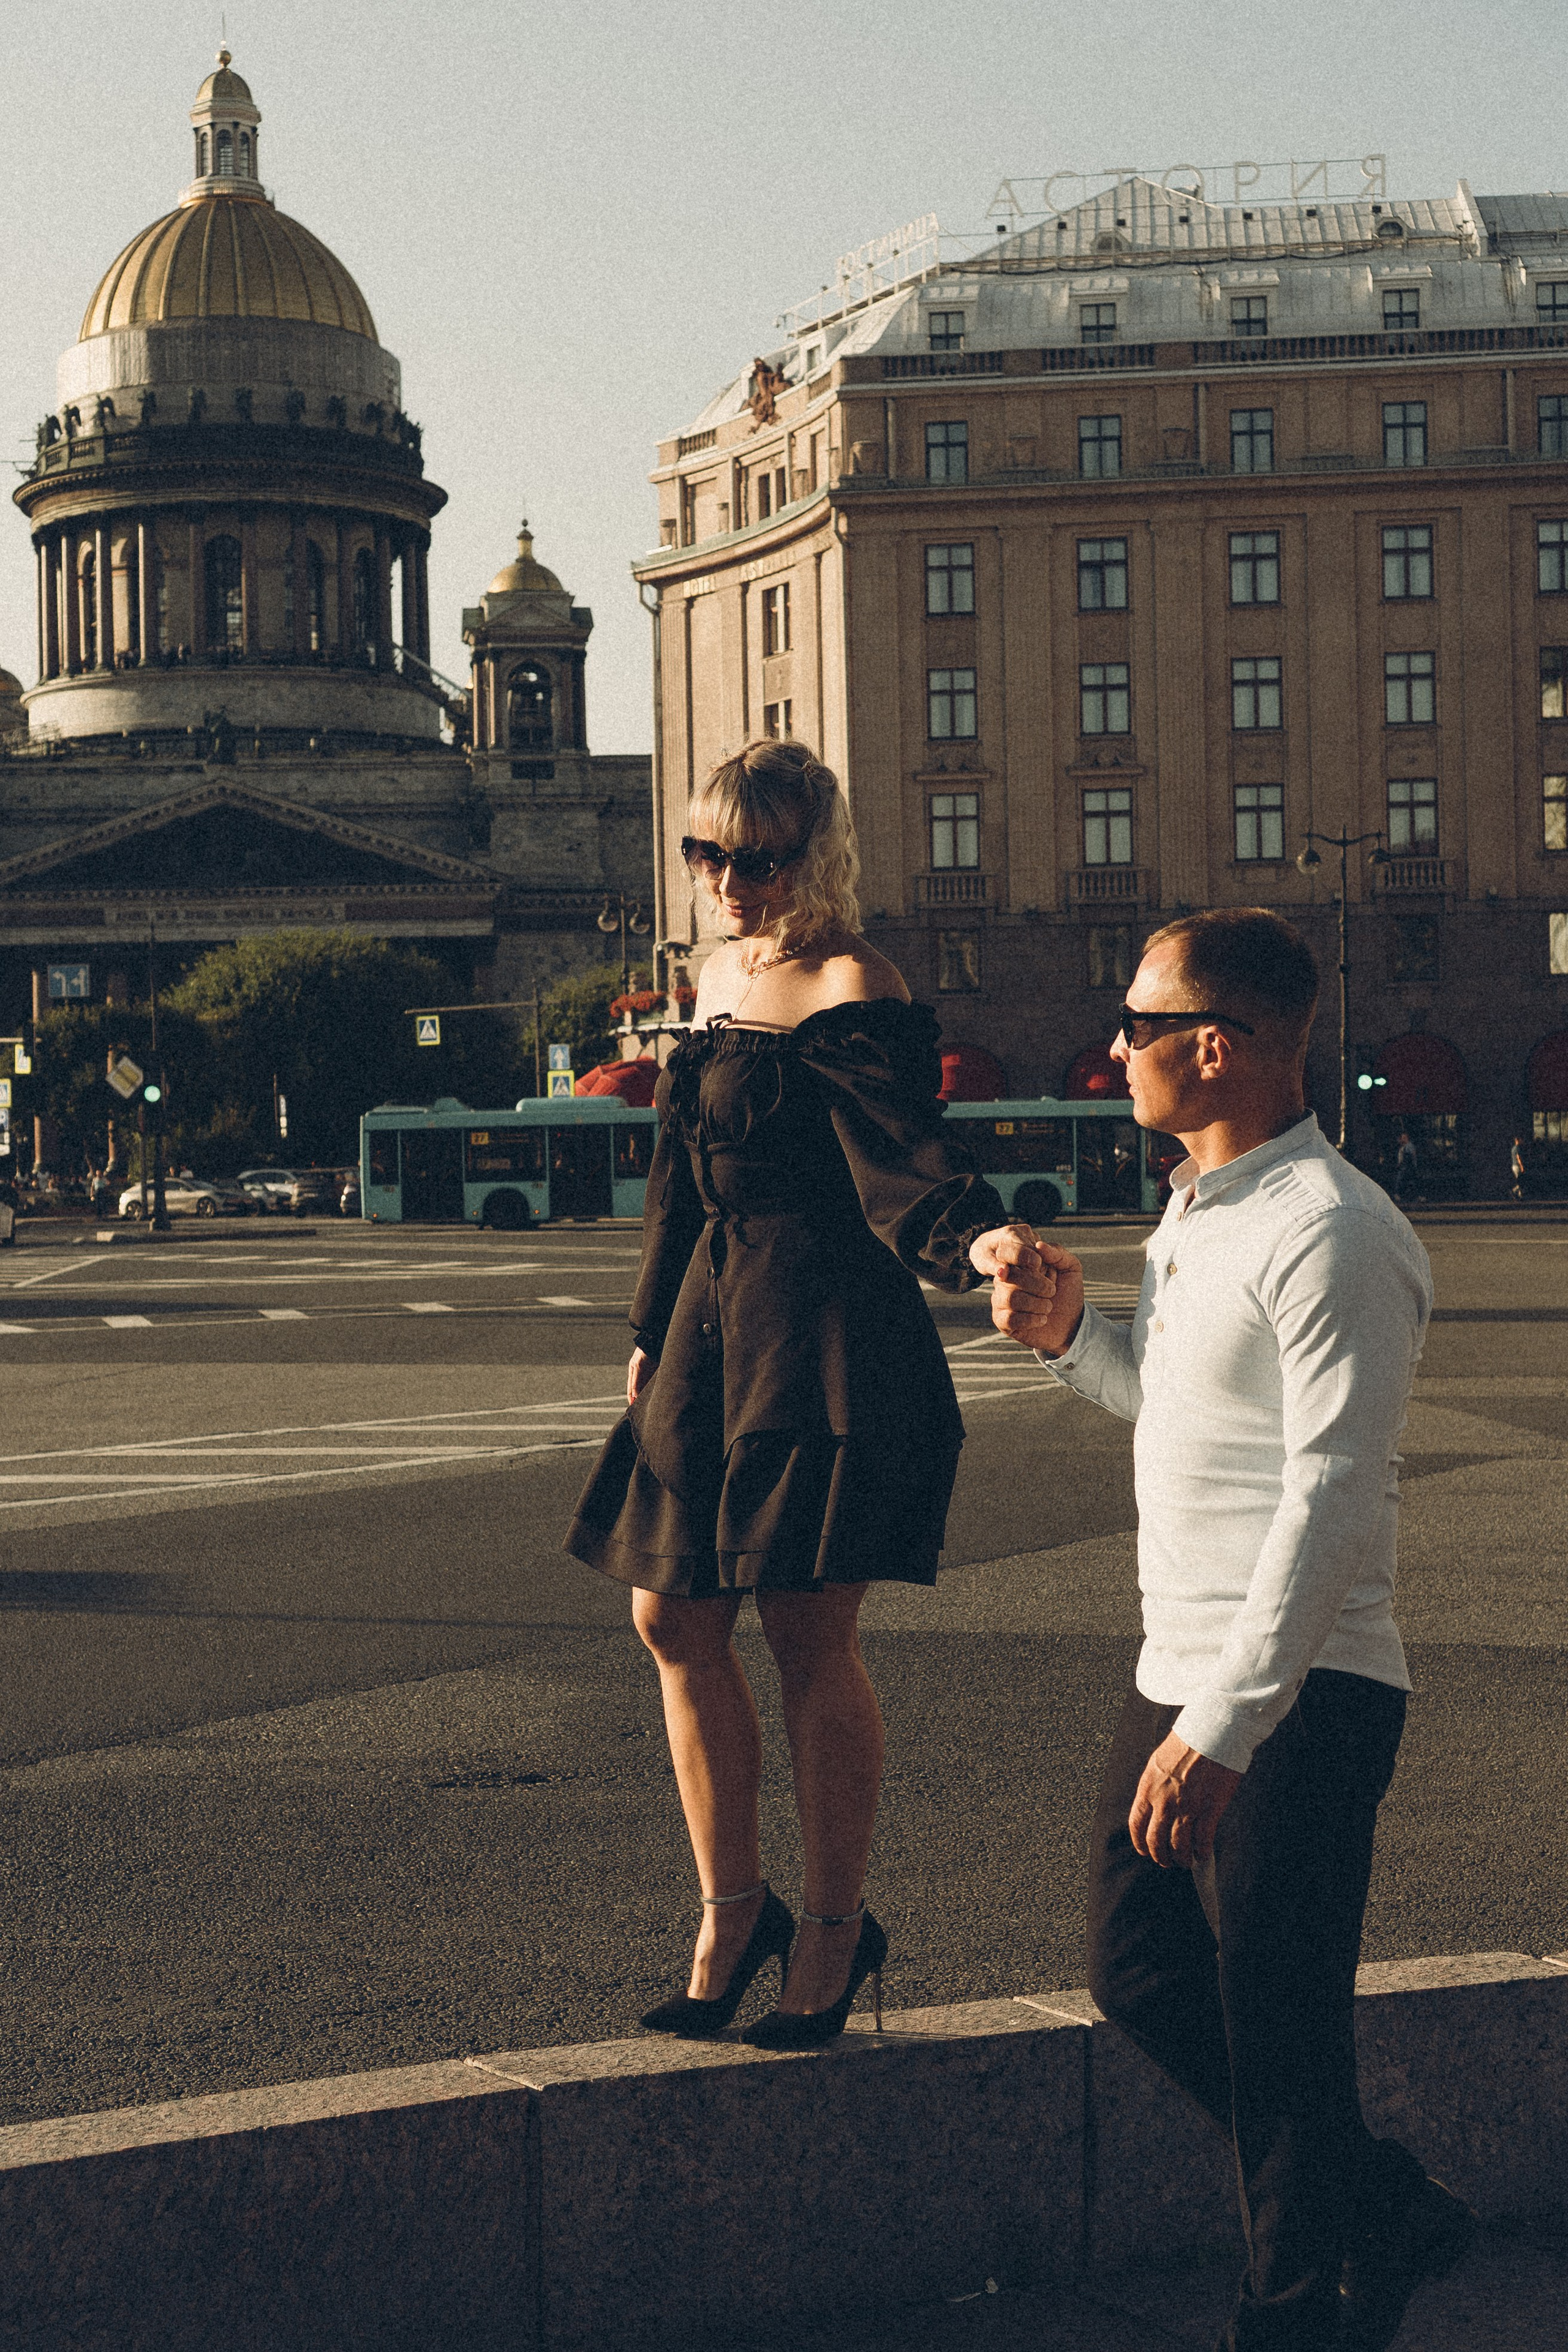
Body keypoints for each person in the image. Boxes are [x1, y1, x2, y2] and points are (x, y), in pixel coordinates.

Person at [970, 909, 1473, 2352]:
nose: (1110, 1045)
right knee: (1135, 1973)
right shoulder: (1198, 1211)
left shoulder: (1333, 1231)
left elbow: (1326, 1488)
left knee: (1278, 2013)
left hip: (1299, 1684)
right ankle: (1382, 2212)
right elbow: (1187, 1417)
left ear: (1215, 1044)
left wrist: (1225, 1722)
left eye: (1136, 1022)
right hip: (1182, 1664)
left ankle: (1288, 2313)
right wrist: (1076, 1340)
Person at [566, 737, 1009, 2048]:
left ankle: (828, 1930)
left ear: (810, 856)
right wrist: (649, 1327)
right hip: (710, 1323)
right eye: (705, 855)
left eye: (752, 860)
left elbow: (905, 1158)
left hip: (821, 1328)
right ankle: (730, 1909)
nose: (724, 882)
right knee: (669, 1617)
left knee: (808, 1632)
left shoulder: (849, 983)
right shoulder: (712, 976)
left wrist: (974, 1242)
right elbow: (673, 1171)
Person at [1392, 1126, 1418, 1203]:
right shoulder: (1403, 1147)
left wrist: (1404, 1164)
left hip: (1406, 1167)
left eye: (1403, 1138)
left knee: (1401, 1180)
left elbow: (1411, 1156)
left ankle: (1399, 1194)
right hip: (1405, 1167)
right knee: (1406, 1181)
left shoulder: (1409, 1146)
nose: (1402, 1139)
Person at [1510, 1133, 1526, 1200]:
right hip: (1517, 1166)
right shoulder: (1517, 1148)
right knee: (1521, 1181)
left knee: (1520, 1180)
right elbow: (1518, 1158)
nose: (1522, 1141)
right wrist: (1522, 1166)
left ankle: (1520, 1195)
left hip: (1514, 1166)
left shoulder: (1513, 1148)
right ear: (1518, 1140)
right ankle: (1514, 1191)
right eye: (1521, 1140)